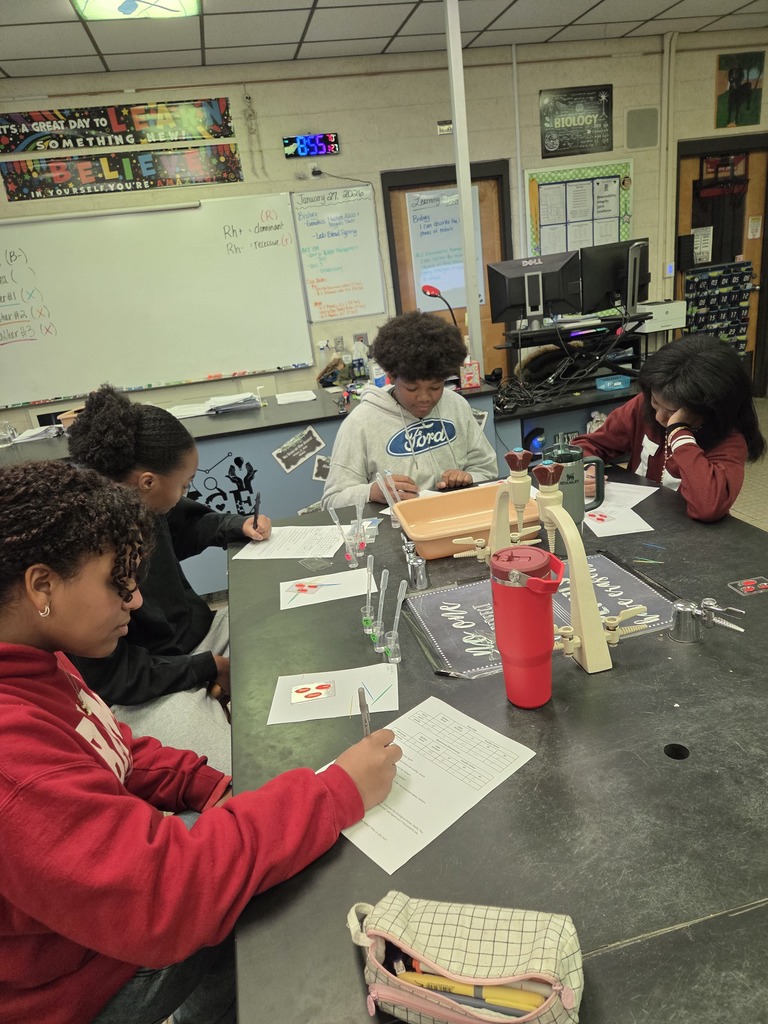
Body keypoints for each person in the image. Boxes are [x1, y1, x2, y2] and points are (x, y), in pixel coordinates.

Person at [0, 459, 401, 1024]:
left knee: (253, 843)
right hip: (75, 988)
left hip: (93, 928)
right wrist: (335, 793)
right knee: (255, 891)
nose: (135, 602)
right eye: (117, 583)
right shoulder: (12, 762)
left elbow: (112, 748)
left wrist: (213, 786)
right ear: (42, 585)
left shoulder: (38, 659)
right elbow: (166, 897)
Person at [66, 383, 272, 773]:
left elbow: (184, 524)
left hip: (193, 644)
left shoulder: (150, 506)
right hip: (146, 682)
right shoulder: (84, 550)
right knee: (229, 771)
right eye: (184, 484)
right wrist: (206, 668)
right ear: (147, 482)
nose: (136, 599)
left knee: (279, 629)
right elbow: (116, 677)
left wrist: (234, 525)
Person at [570, 333, 766, 522]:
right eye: (655, 402)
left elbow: (708, 507)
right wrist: (587, 469)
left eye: (673, 412)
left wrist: (679, 432)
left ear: (707, 409)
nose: (659, 417)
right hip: (636, 519)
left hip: (691, 540)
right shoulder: (643, 404)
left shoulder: (730, 441)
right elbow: (587, 444)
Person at [322, 311, 499, 509]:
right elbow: (332, 500)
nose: (424, 398)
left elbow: (486, 469)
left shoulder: (456, 405)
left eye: (435, 387)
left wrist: (469, 477)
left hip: (455, 518)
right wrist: (371, 492)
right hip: (396, 531)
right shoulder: (360, 423)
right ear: (390, 375)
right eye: (412, 388)